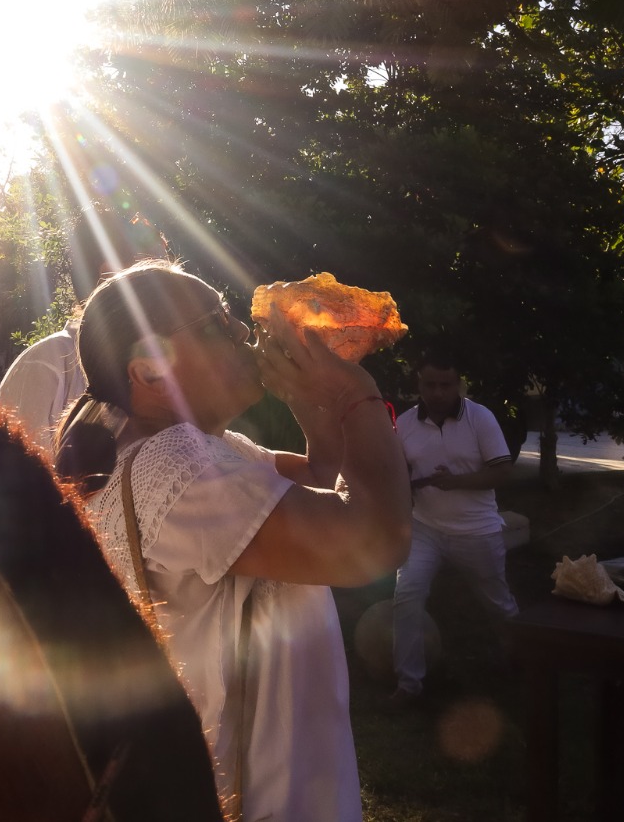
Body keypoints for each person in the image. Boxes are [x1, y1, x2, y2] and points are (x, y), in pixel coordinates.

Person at [55, 262, 410, 822]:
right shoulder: (180, 469)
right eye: (215, 324)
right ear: (149, 371)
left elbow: (322, 476)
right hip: (260, 797)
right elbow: (376, 541)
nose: (244, 331)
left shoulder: (187, 449)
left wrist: (308, 399)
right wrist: (355, 395)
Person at [390, 348, 519, 704]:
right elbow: (400, 474)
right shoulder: (404, 424)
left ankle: (520, 659)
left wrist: (456, 482)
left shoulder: (480, 418)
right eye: (430, 384)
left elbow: (502, 471)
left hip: (477, 530)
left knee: (498, 603)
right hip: (424, 528)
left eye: (445, 385)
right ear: (419, 384)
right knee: (406, 594)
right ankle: (408, 685)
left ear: (459, 384)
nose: (437, 393)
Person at [0, 206, 167, 456]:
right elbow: (13, 474)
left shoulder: (162, 370)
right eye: (158, 272)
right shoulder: (48, 363)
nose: (175, 288)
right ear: (111, 276)